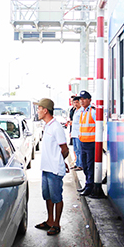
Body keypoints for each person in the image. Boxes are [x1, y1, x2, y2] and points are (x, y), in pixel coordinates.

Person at [34, 98, 69, 236]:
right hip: (46, 168)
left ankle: (56, 224)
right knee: (47, 196)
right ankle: (49, 220)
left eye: (39, 109)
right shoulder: (47, 125)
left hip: (54, 170)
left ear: (45, 110)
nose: (37, 111)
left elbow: (64, 149)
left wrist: (60, 162)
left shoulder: (56, 127)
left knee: (56, 197)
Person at [77, 90, 96, 196]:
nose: (82, 101)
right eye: (81, 99)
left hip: (91, 143)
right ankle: (87, 183)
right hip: (83, 142)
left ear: (89, 100)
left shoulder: (93, 111)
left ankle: (90, 186)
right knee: (84, 165)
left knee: (90, 166)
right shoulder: (82, 111)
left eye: (84, 99)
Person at [70, 96, 83, 171]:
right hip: (74, 133)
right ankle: (77, 163)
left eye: (77, 102)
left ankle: (80, 165)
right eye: (74, 102)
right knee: (76, 149)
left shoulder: (82, 111)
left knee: (79, 149)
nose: (75, 104)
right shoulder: (75, 110)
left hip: (79, 133)